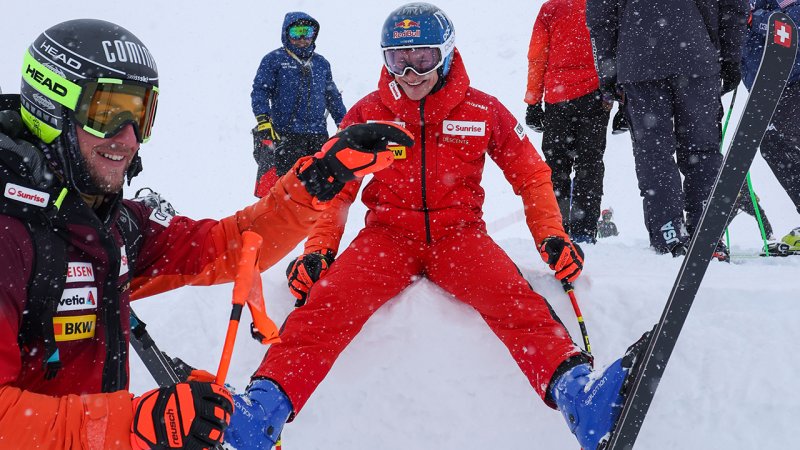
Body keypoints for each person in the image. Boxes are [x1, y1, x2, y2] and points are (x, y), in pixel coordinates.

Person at [223, 4, 638, 450]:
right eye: (396, 59)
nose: (410, 71)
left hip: (459, 238)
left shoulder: (482, 109)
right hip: (386, 240)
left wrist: (551, 237)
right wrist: (319, 250)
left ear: (446, 53)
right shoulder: (367, 112)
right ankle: (262, 410)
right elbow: (338, 188)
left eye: (422, 57)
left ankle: (581, 399)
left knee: (519, 306)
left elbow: (531, 174)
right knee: (324, 312)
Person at [0, 18, 411, 449]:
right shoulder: (12, 235)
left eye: (140, 113)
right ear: (52, 105)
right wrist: (134, 424)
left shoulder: (108, 223)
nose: (127, 137)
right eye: (107, 112)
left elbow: (226, 247)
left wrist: (320, 178)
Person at [587, 0, 748, 258]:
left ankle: (668, 233)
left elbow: (600, 17)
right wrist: (730, 58)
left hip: (639, 61)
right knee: (702, 151)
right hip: (696, 57)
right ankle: (706, 234)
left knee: (654, 155)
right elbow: (733, 7)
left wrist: (607, 72)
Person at [524, 0, 612, 243]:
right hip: (596, 95)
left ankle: (556, 229)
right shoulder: (602, 5)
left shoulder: (551, 8)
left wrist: (533, 101)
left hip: (557, 98)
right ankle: (584, 230)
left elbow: (537, 57)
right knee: (590, 164)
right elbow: (616, 49)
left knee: (556, 166)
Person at [251, 12, 348, 198]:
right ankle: (281, 224)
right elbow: (260, 91)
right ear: (286, 34)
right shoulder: (274, 60)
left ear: (314, 34)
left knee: (318, 188)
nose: (302, 38)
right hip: (285, 136)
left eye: (307, 32)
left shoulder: (321, 64)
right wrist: (263, 119)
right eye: (297, 33)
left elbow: (333, 97)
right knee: (286, 188)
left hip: (317, 137)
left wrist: (344, 123)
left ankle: (311, 226)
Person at [743, 0, 800, 249]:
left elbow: (792, 24)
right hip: (767, 90)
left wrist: (754, 19)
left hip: (794, 83)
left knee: (784, 139)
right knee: (772, 145)